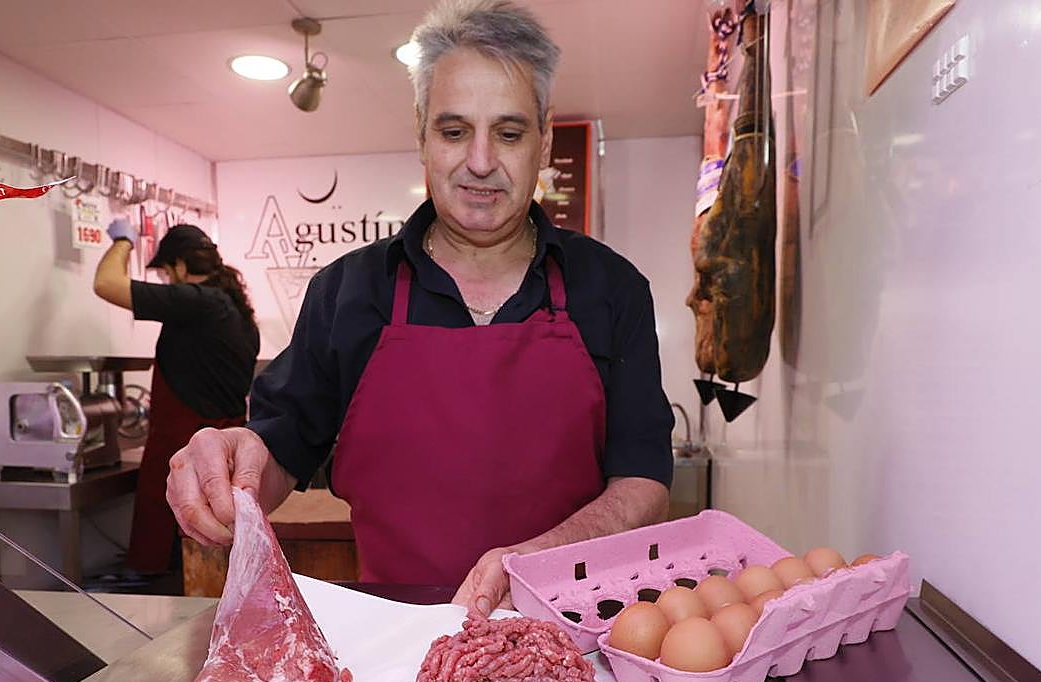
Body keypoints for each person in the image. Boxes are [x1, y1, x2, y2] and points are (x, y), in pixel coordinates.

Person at [166, 0, 674, 615]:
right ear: (422, 134)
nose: (480, 162)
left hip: (572, 627)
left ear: (544, 138)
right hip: (397, 641)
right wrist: (231, 468)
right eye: (454, 131)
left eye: (509, 133)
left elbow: (643, 481)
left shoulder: (612, 290)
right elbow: (278, 452)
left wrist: (540, 561)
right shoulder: (347, 294)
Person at [93, 220, 260, 575]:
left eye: (168, 273)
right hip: (216, 443)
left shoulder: (199, 301)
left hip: (189, 444)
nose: (170, 282)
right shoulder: (233, 309)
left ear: (182, 267)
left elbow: (106, 283)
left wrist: (124, 240)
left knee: (181, 545)